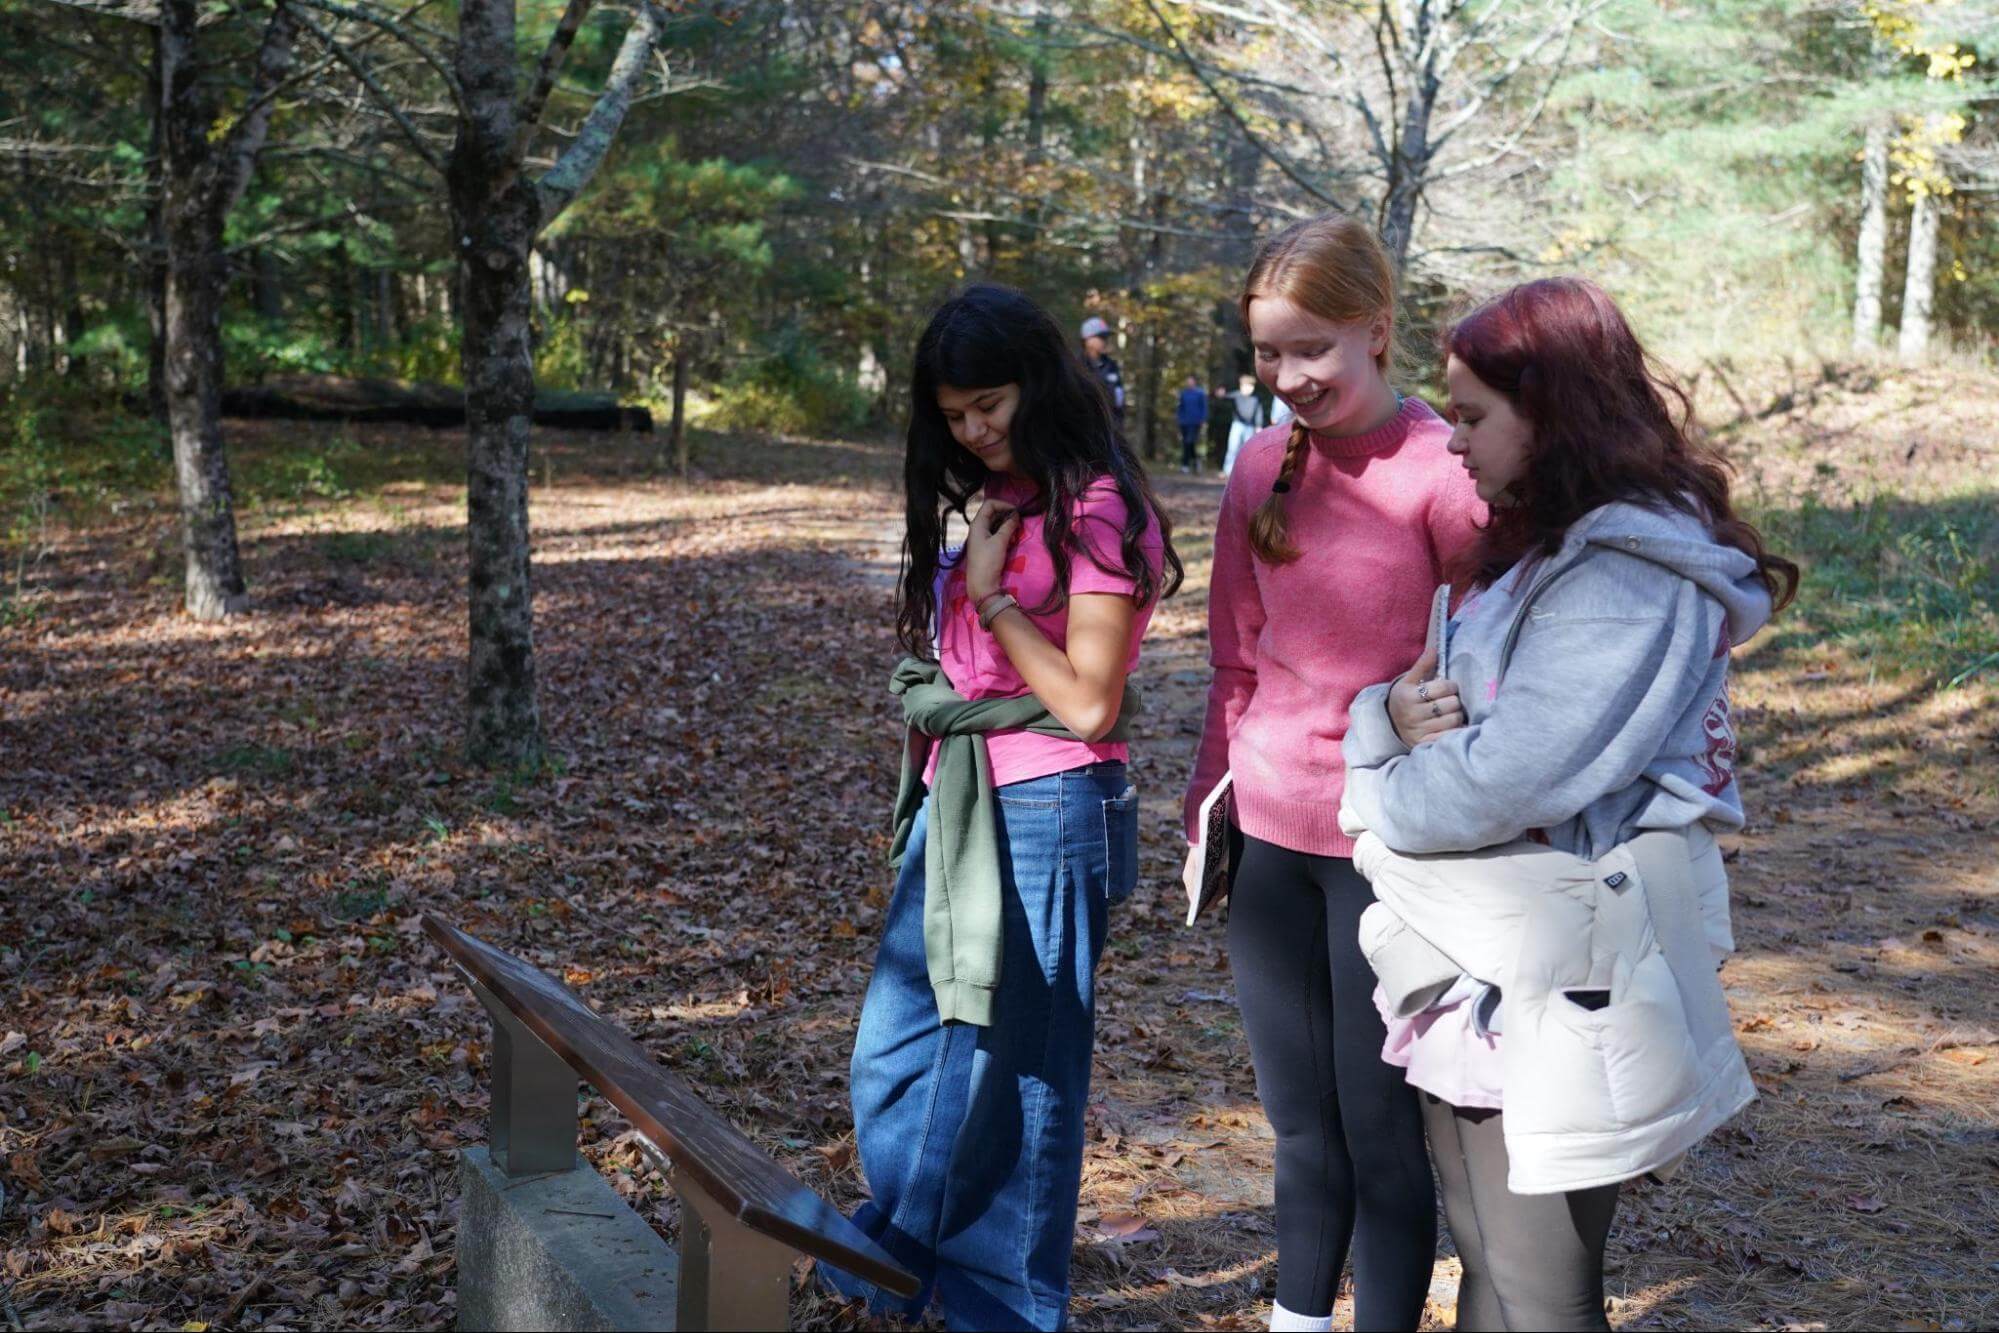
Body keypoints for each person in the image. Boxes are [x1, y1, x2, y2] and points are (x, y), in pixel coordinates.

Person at [1339, 276, 1798, 1332]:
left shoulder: (1628, 576)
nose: (1450, 441)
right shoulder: (1535, 548)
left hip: (1564, 971)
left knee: (1543, 1292)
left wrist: (1371, 790)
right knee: (1486, 1261)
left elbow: (1510, 775)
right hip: (1480, 960)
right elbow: (1423, 709)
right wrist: (1384, 730)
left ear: (1551, 413)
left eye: (1470, 416)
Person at [822, 283, 1182, 1330]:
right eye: (953, 413)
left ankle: (1003, 1304)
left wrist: (988, 598)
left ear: (1041, 382)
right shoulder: (1003, 493)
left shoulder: (1094, 504)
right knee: (903, 1048)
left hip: (1049, 804)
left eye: (990, 403)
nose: (974, 430)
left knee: (1017, 1069)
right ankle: (905, 1250)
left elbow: (1085, 699)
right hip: (962, 797)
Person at [1181, 214, 1484, 1333]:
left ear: (1376, 330)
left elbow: (1485, 665)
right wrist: (1209, 807)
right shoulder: (1260, 466)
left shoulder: (1443, 472)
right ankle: (1298, 1318)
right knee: (1298, 1125)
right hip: (1270, 843)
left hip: (1387, 854)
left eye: (1312, 347)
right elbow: (1231, 656)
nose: (1287, 375)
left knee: (1379, 1133)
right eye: (1267, 353)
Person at [1080, 314, 1126, 425]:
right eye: (1101, 337)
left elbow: (1119, 402)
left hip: (1110, 431)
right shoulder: (1076, 366)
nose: (1105, 341)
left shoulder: (1112, 367)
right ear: (1088, 339)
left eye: (1106, 338)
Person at [1221, 373, 1266, 476]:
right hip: (1237, 425)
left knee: (1247, 449)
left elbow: (1258, 412)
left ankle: (1245, 471)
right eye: (1247, 386)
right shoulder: (1236, 395)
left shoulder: (1255, 398)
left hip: (1250, 426)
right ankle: (1228, 470)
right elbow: (1225, 397)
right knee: (1233, 447)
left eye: (1251, 386)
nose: (1249, 389)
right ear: (1241, 386)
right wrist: (1221, 395)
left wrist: (1258, 425)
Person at [1177, 373, 1210, 472]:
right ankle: (1195, 462)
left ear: (1194, 382)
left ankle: (1185, 464)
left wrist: (1203, 420)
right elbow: (1180, 407)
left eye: (1191, 381)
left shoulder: (1200, 393)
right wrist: (1179, 419)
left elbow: (1204, 407)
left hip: (1195, 422)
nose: (1189, 383)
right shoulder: (1184, 393)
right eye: (1188, 381)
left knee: (1189, 441)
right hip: (1184, 422)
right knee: (1187, 443)